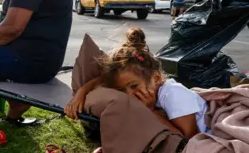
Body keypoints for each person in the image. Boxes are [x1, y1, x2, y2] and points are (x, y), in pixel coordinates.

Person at [65, 28, 209, 139]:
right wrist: (81, 92)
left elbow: (189, 138)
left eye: (134, 86)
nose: (129, 95)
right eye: (122, 90)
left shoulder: (173, 94)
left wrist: (150, 111)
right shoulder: (152, 88)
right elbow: (102, 80)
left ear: (157, 79)